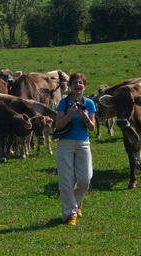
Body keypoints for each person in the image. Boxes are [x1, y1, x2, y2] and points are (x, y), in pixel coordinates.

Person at [55, 72, 96, 225]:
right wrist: (70, 114)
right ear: (70, 87)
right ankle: (70, 214)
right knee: (65, 179)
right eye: (74, 83)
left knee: (85, 179)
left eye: (80, 83)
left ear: (84, 87)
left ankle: (76, 204)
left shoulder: (90, 103)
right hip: (65, 143)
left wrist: (85, 117)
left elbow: (92, 128)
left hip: (83, 143)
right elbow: (58, 125)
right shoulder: (63, 103)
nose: (77, 86)